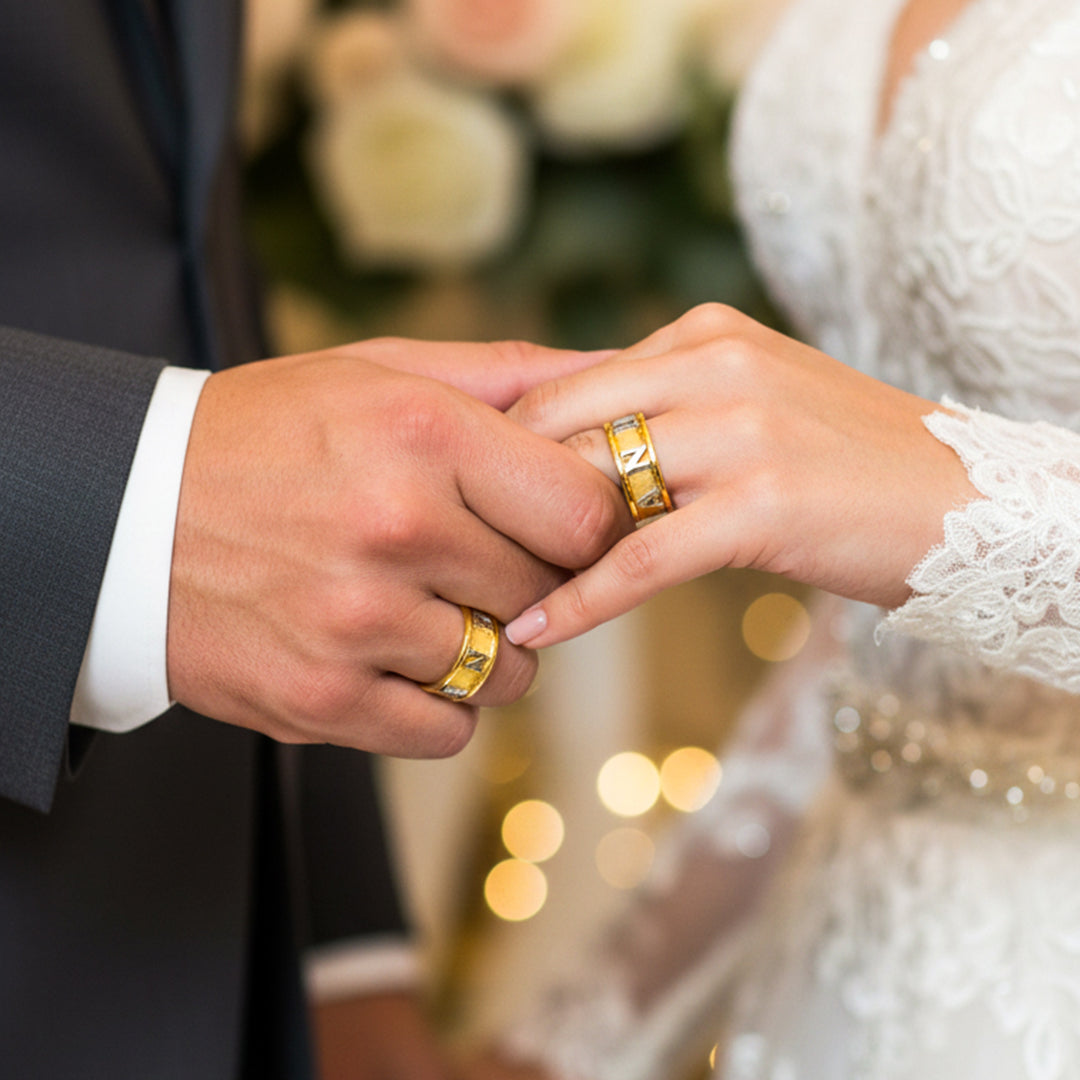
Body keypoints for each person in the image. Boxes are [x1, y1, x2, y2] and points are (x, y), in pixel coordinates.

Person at [0, 3, 628, 1078]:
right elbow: (201, 473)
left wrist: (342, 952)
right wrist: (132, 509)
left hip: (199, 939)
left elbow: (179, 249)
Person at [468, 0, 1080, 1076]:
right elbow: (880, 652)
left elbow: (901, 516)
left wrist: (942, 499)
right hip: (840, 958)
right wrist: (591, 1031)